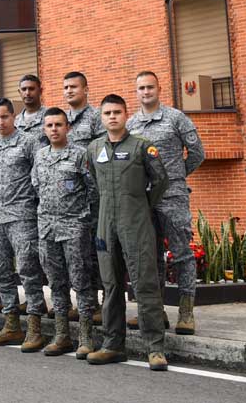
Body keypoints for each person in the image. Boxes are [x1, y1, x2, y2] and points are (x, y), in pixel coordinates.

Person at [87, 94, 170, 371]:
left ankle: (155, 348)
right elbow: (91, 182)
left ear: (126, 115)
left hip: (136, 223)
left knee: (144, 283)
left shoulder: (142, 147)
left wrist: (142, 206)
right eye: (107, 112)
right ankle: (113, 345)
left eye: (117, 112)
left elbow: (160, 180)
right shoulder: (94, 148)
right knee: (110, 286)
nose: (112, 117)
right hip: (105, 224)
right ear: (102, 117)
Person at [128, 70, 205, 335]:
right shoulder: (130, 125)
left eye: (150, 87)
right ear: (136, 92)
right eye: (141, 88)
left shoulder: (176, 118)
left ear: (159, 89)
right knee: (150, 258)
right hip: (144, 199)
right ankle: (154, 311)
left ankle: (186, 312)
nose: (146, 92)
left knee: (182, 254)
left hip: (172, 197)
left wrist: (176, 176)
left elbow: (197, 153)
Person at [31, 108, 98, 357]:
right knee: (56, 282)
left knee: (81, 282)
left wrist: (81, 218)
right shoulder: (40, 157)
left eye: (58, 124)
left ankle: (86, 336)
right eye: (49, 125)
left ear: (67, 127)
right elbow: (36, 186)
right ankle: (62, 335)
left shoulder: (80, 155)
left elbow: (93, 190)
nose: (54, 129)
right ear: (44, 129)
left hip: (74, 227)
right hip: (47, 228)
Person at [0, 98, 47, 351]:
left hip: (22, 216)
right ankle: (11, 325)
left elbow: (40, 176)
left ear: (13, 117)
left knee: (29, 272)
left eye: (4, 117)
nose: (0, 122)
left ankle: (34, 327)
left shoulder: (29, 142)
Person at [62, 71, 103, 323]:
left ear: (86, 89)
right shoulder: (61, 118)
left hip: (94, 193)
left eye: (74, 86)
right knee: (76, 254)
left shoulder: (96, 117)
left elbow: (101, 150)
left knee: (98, 251)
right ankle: (82, 301)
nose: (69, 91)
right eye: (65, 87)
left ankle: (100, 303)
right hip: (70, 200)